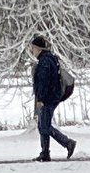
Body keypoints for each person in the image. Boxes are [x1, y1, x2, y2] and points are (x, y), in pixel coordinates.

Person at [29, 33, 76, 161]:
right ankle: (45, 153)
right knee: (42, 125)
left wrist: (41, 99)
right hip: (52, 97)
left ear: (38, 49)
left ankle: (68, 143)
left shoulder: (44, 62)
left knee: (44, 126)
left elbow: (43, 82)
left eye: (33, 48)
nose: (32, 51)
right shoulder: (49, 59)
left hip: (48, 99)